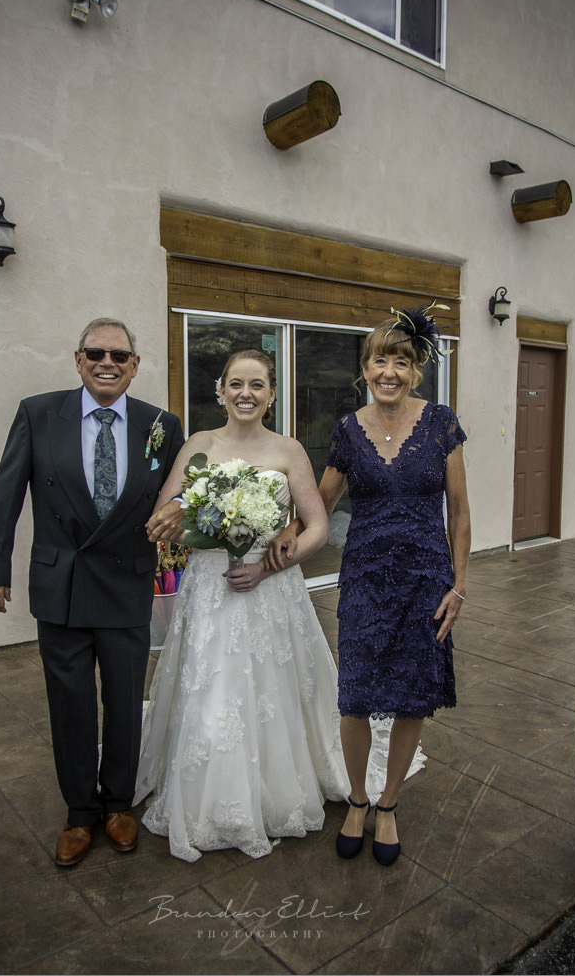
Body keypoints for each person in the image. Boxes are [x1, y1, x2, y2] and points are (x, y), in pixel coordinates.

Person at [0, 318, 185, 868]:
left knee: (124, 701)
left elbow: (182, 490)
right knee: (69, 704)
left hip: (125, 582)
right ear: (78, 360)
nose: (106, 363)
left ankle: (117, 804)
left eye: (119, 355)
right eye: (95, 353)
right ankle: (79, 812)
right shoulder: (38, 413)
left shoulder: (162, 425)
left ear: (135, 365)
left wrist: (182, 514)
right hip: (61, 585)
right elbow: (5, 491)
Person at [267, 307, 470, 866]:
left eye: (401, 362)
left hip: (426, 582)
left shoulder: (442, 424)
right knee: (355, 697)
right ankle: (357, 800)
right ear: (365, 369)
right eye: (380, 361)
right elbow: (323, 503)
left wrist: (459, 586)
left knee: (411, 698)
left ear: (415, 371)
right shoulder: (347, 431)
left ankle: (388, 804)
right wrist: (281, 537)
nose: (389, 372)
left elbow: (460, 513)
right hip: (364, 581)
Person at [135, 349, 348, 861]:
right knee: (211, 687)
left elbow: (317, 528)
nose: (245, 394)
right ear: (220, 391)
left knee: (272, 686)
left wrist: (268, 566)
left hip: (271, 587)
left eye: (256, 385)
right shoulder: (199, 445)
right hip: (211, 588)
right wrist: (189, 516)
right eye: (236, 384)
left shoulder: (289, 449)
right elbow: (165, 516)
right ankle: (209, 795)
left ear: (272, 395)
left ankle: (274, 788)